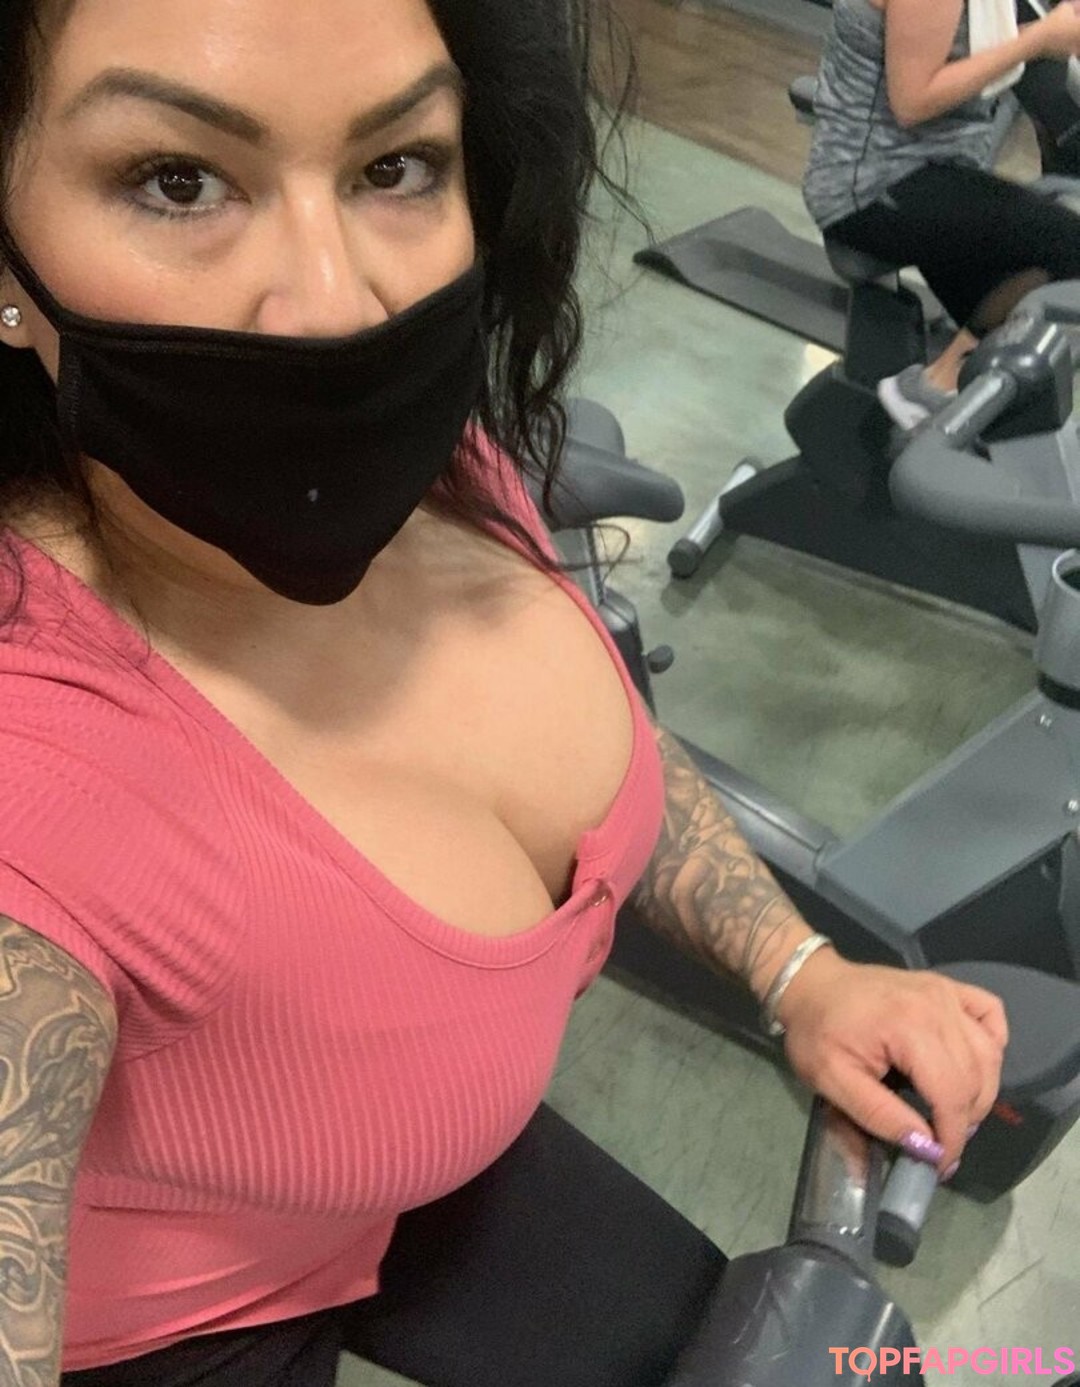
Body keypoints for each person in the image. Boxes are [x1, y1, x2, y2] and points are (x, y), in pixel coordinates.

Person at [0, 1, 1006, 1383]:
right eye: (177, 181)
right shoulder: (35, 800)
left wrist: (805, 971)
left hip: (415, 1170)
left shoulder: (433, 469)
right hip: (185, 1325)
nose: (338, 303)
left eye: (394, 165)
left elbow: (592, 748)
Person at [804, 0, 1080, 430]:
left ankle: (963, 405)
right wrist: (1038, 41)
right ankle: (931, 389)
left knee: (1037, 315)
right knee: (1067, 246)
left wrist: (1052, 35)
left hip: (938, 170)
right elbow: (912, 101)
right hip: (875, 186)